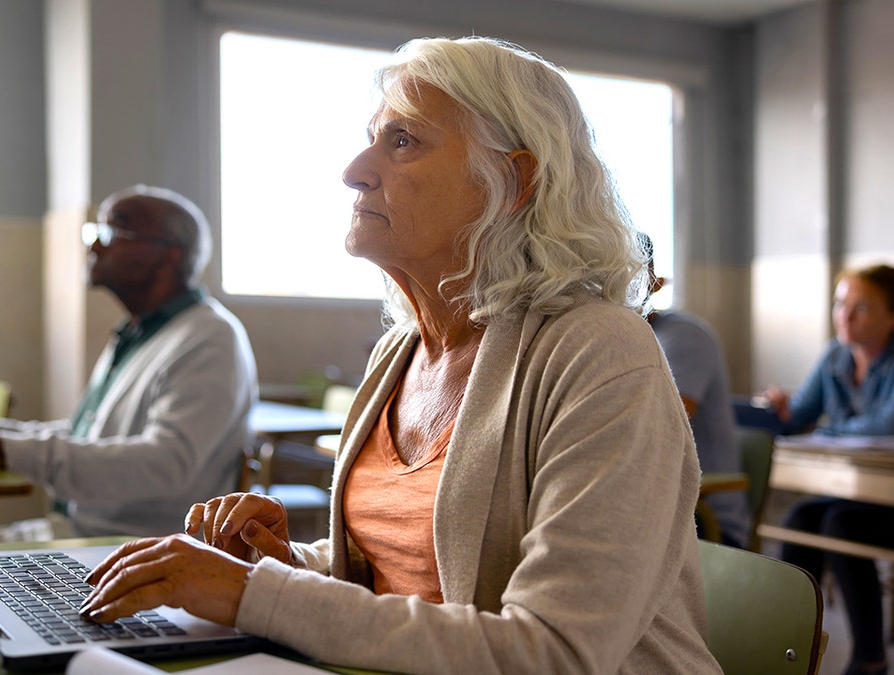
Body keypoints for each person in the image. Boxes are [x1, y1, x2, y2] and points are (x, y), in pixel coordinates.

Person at [74, 37, 721, 673]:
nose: (355, 169)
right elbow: (414, 575)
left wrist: (252, 594)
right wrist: (287, 562)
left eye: (403, 141)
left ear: (514, 179)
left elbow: (553, 652)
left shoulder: (597, 349)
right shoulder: (400, 351)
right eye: (373, 136)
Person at [0, 184, 258, 538]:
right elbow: (87, 435)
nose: (96, 245)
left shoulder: (210, 338)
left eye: (113, 231)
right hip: (82, 532)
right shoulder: (139, 332)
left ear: (169, 257)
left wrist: (6, 451)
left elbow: (163, 465)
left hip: (138, 550)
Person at [763, 263, 894, 675]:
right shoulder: (834, 355)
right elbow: (799, 415)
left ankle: (869, 658)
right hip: (855, 492)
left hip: (890, 499)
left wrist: (824, 428)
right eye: (841, 304)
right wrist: (780, 408)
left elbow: (888, 424)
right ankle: (786, 648)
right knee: (800, 518)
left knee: (841, 524)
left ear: (893, 316)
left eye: (861, 308)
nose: (845, 315)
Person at [639, 233, 752, 548]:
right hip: (661, 504)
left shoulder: (683, 337)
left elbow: (658, 428)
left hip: (706, 517)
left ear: (655, 284)